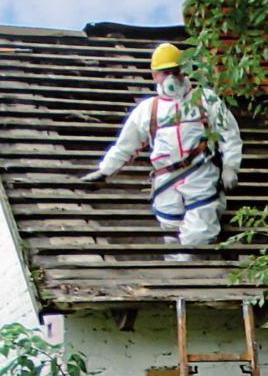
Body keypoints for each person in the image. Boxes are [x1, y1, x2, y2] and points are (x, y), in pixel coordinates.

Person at [82, 42, 242, 261]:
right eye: (165, 72)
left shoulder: (205, 99)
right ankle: (181, 286)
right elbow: (125, 146)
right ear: (155, 76)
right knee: (172, 237)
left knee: (199, 234)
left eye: (176, 71)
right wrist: (105, 171)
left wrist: (230, 167)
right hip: (166, 181)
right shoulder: (148, 109)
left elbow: (229, 134)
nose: (172, 78)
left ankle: (194, 277)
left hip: (200, 175)